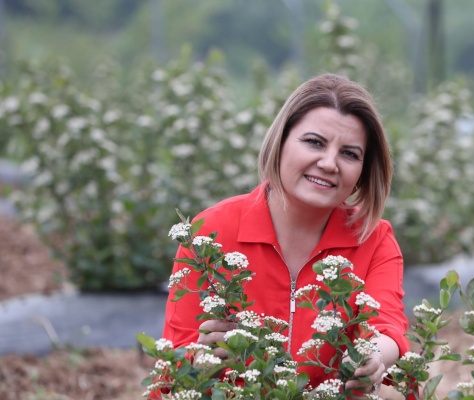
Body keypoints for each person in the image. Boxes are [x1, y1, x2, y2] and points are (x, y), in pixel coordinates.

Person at [163, 73, 409, 398]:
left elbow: (386, 322)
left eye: (349, 153)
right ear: (280, 142)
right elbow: (176, 360)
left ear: (364, 171)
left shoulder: (374, 239)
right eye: (314, 142)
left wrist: (373, 357)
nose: (328, 163)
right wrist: (204, 356)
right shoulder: (212, 232)